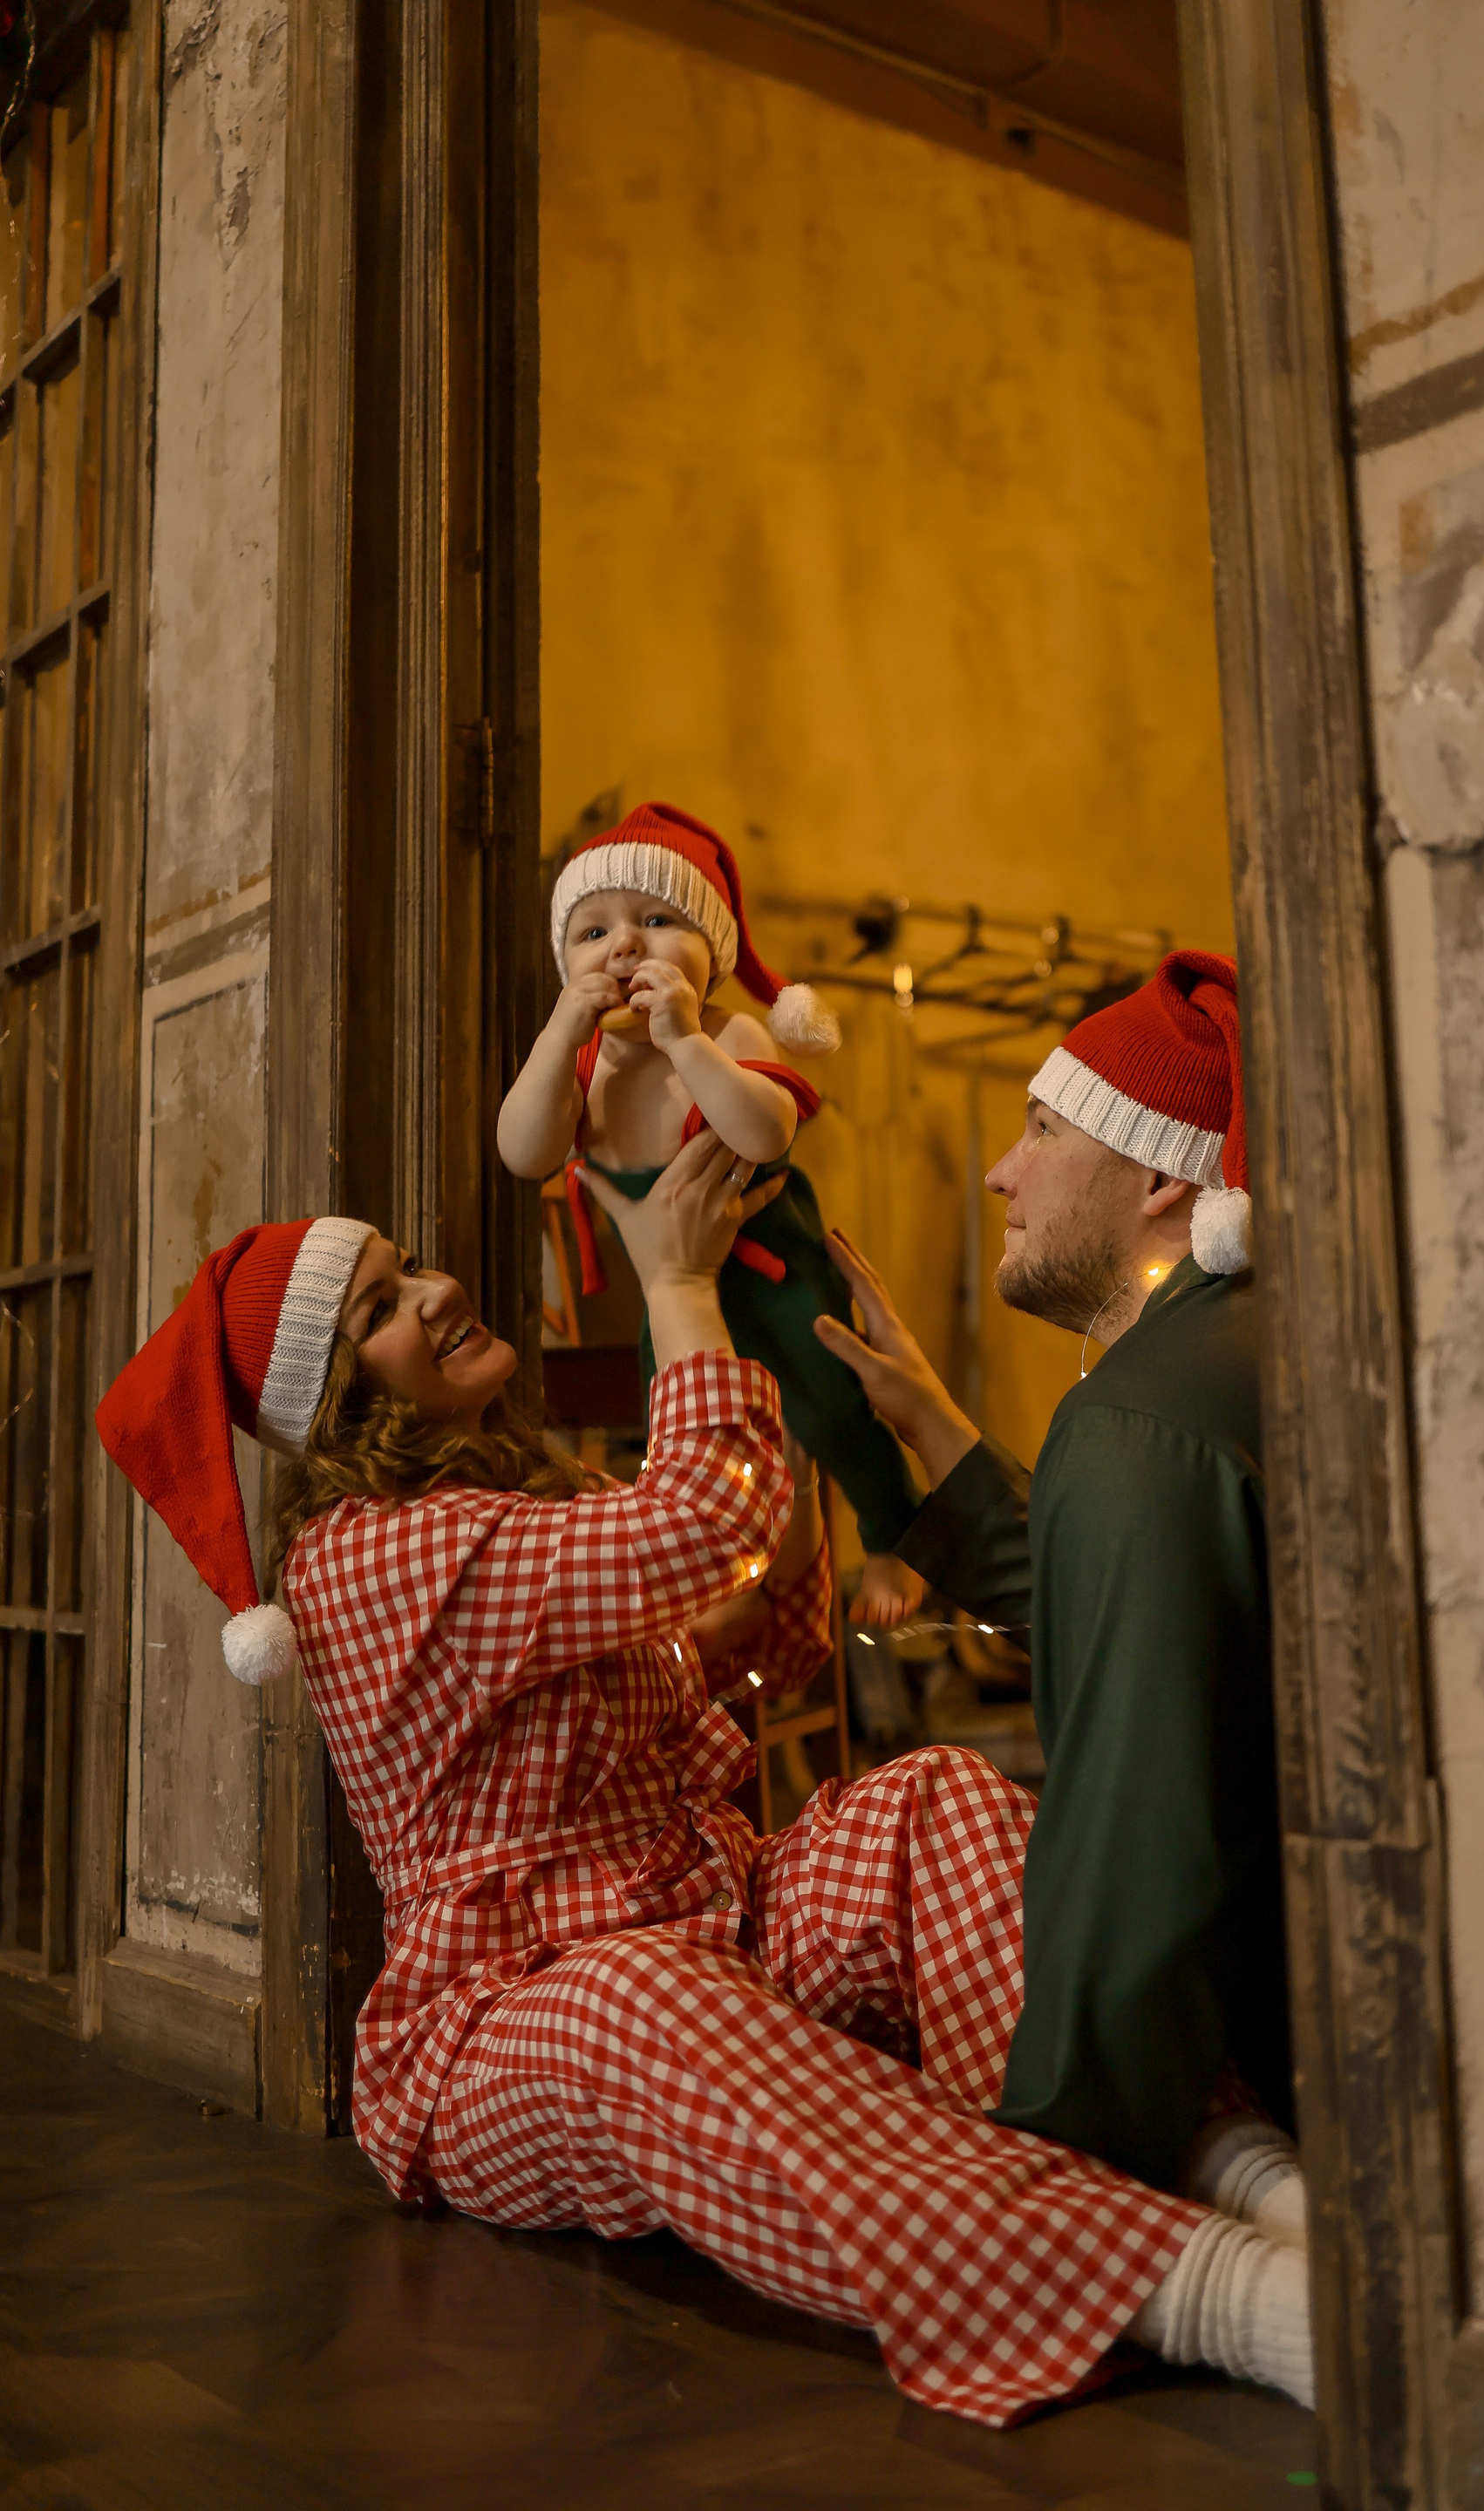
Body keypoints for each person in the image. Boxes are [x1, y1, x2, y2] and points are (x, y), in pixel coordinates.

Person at [95, 1125, 1311, 2420]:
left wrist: (805, 1382)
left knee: (931, 1801)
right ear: (342, 1408)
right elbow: (704, 1521)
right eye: (383, 1310)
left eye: (412, 1267)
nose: (438, 1293)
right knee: (634, 1994)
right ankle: (1213, 2289)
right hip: (509, 2017)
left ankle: (1234, 2169)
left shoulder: (534, 1498)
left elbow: (755, 1635)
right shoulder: (364, 1559)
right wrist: (672, 1283)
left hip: (715, 1924)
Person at [814, 949, 1304, 2246]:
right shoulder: (1237, 1352)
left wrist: (1058, 2161)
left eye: (1042, 1130)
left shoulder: (1139, 1423)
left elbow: (1144, 1828)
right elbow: (1155, 1619)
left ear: (1158, 1179)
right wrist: (939, 1434)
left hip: (1281, 2081)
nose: (1000, 1172)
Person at [497, 800, 924, 1628]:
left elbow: (765, 1132)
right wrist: (556, 1036)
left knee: (831, 1404)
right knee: (681, 1423)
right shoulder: (582, 1061)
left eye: (657, 921)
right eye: (593, 932)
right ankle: (728, 1569)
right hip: (669, 1284)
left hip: (774, 1263)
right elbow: (523, 1151)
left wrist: (686, 1041)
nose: (625, 946)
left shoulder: (731, 1035)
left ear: (714, 954)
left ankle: (891, 1529)